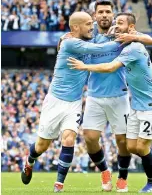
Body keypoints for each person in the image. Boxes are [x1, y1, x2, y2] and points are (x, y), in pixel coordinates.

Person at [67, 12, 152, 193]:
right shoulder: (123, 41)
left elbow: (110, 67)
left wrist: (84, 66)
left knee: (141, 146)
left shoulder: (132, 48)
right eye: (115, 23)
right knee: (131, 146)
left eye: (120, 23)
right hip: (137, 103)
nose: (116, 26)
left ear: (131, 28)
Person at [20, 11, 121, 193]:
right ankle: (30, 160)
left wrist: (111, 32)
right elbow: (98, 49)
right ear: (75, 27)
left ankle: (59, 185)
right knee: (42, 146)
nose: (93, 26)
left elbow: (98, 40)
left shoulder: (86, 39)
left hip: (74, 102)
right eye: (89, 23)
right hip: (55, 101)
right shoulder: (69, 43)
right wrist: (119, 40)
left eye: (93, 23)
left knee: (69, 139)